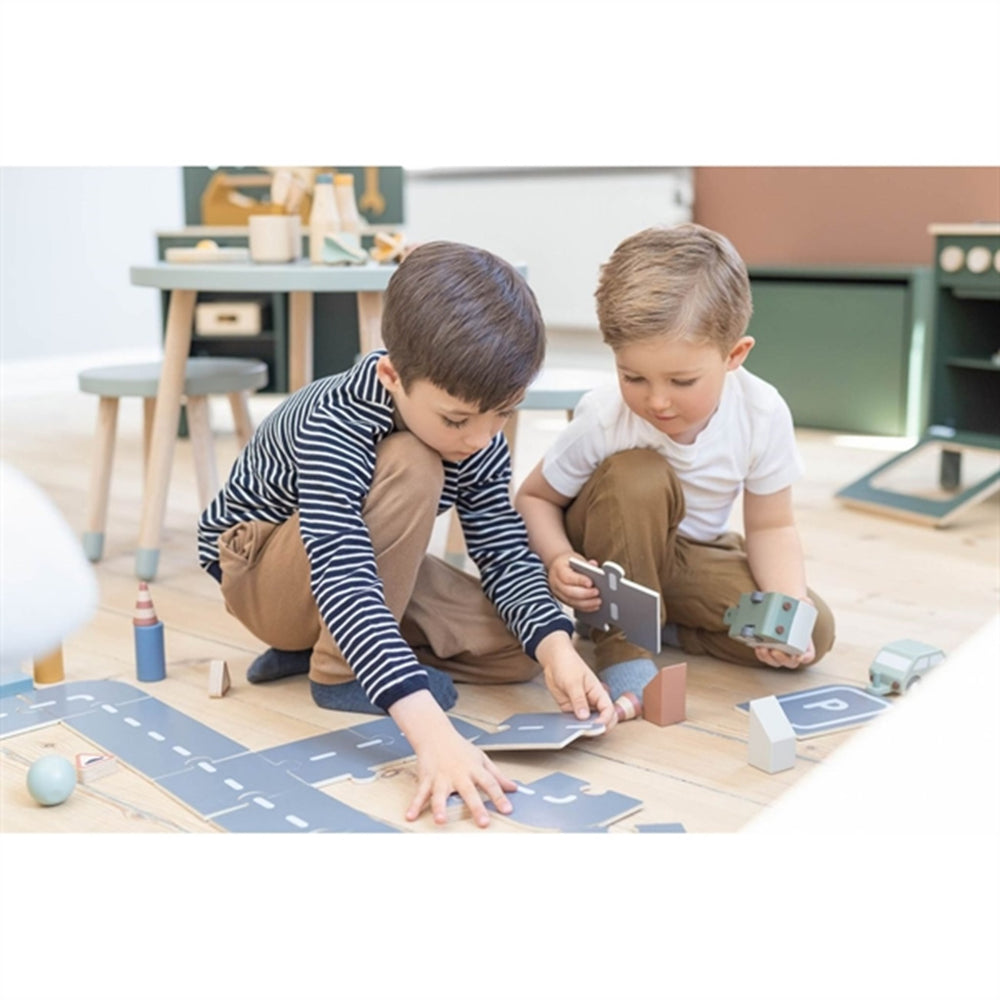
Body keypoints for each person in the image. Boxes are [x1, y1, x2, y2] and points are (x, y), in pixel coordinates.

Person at [197, 241, 615, 828]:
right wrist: (432, 735)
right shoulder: (336, 417)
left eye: (504, 412)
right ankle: (340, 670)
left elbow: (502, 550)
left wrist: (557, 649)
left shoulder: (478, 432)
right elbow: (342, 568)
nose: (481, 438)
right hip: (263, 571)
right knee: (414, 464)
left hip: (360, 563)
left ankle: (343, 651)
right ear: (392, 377)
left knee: (516, 652)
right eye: (456, 419)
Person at [514, 223, 835, 702]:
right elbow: (535, 497)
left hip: (688, 558)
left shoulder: (762, 411)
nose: (657, 401)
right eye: (633, 377)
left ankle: (667, 627)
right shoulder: (605, 415)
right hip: (609, 552)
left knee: (814, 630)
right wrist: (560, 557)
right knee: (637, 474)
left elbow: (771, 526)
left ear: (735, 355)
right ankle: (622, 649)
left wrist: (788, 607)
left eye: (681, 381)